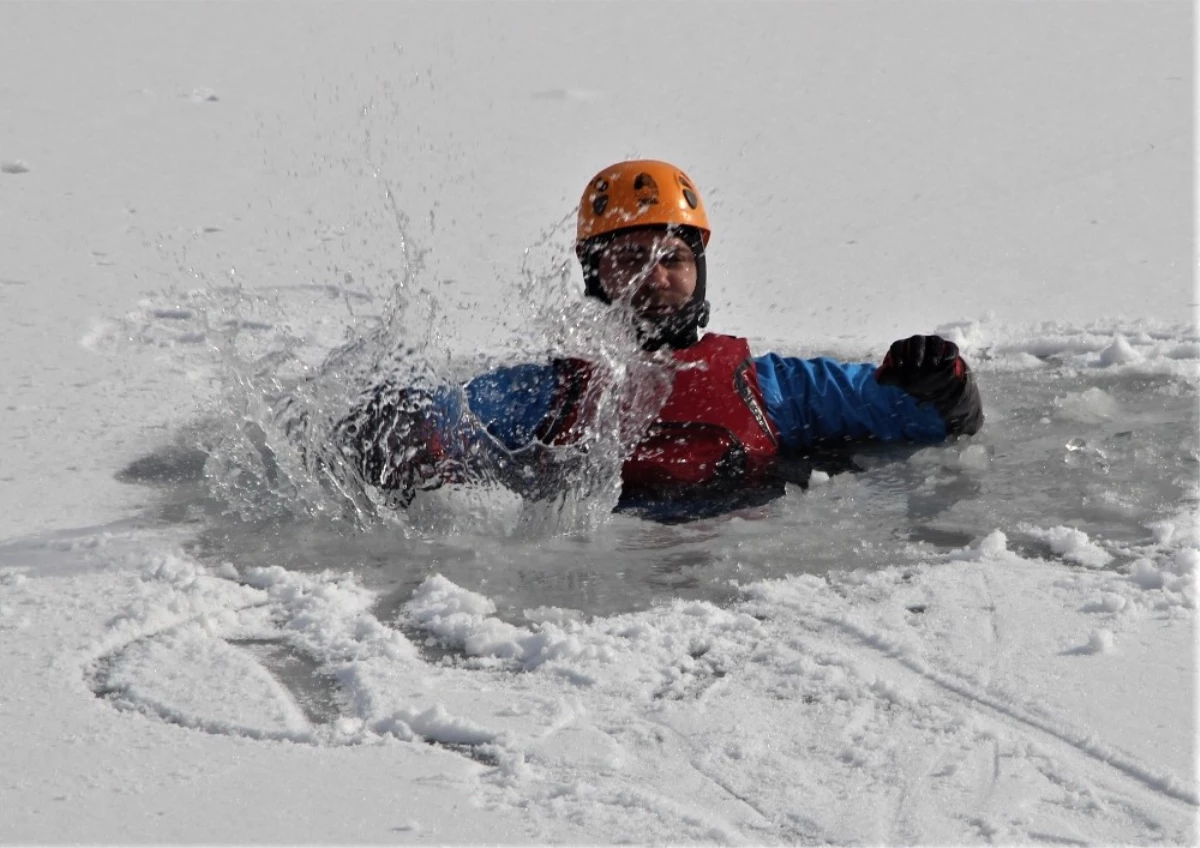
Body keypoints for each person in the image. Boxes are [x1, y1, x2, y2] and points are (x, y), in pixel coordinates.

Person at [332, 159, 983, 520]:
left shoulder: (768, 385)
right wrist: (389, 428)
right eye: (628, 259)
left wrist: (939, 381)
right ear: (595, 276)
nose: (654, 276)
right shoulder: (549, 393)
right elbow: (448, 422)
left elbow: (927, 420)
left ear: (700, 268)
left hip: (740, 582)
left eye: (672, 256)